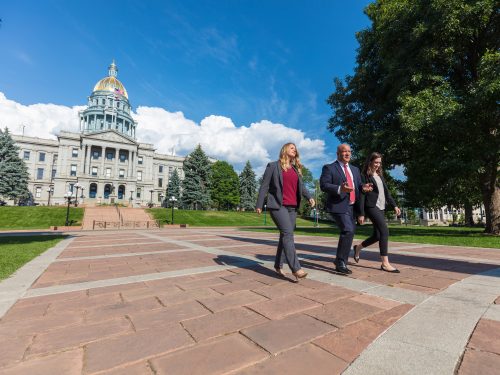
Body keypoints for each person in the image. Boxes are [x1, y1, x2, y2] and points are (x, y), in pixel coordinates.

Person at [256, 143, 315, 281]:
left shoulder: (295, 169)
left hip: (292, 208)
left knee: (286, 236)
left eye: (295, 148)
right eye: (292, 147)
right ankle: (296, 268)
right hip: (278, 206)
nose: (295, 150)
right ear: (284, 150)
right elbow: (264, 185)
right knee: (288, 234)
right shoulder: (273, 166)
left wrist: (310, 197)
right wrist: (259, 204)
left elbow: (302, 187)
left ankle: (278, 265)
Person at [320, 144, 370, 274]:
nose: (347, 154)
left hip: (353, 206)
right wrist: (339, 189)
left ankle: (339, 260)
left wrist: (363, 187)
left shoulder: (355, 169)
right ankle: (341, 261)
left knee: (350, 231)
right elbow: (324, 185)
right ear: (338, 154)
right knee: (348, 230)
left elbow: (358, 186)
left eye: (349, 151)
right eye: (344, 151)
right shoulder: (329, 168)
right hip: (338, 205)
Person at [354, 152, 402, 272]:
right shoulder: (364, 175)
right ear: (370, 162)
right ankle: (385, 263)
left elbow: (386, 193)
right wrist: (361, 213)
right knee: (384, 231)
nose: (378, 165)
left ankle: (358, 248)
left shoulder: (380, 175)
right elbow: (362, 195)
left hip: (381, 207)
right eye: (376, 162)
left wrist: (394, 205)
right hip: (371, 206)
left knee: (377, 235)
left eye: (379, 162)